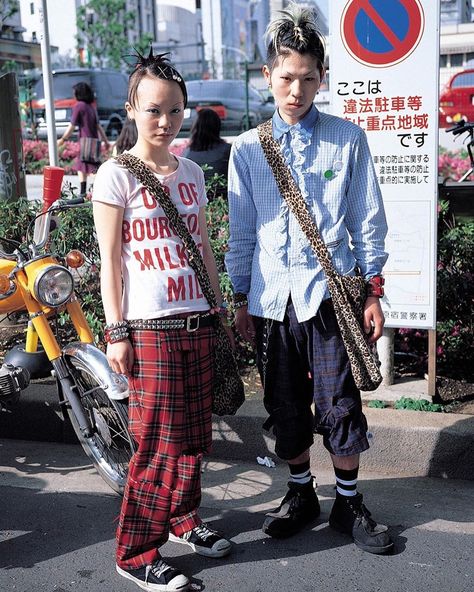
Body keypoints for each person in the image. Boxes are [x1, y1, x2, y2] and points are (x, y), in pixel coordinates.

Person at [225, 3, 393, 555]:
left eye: (307, 78)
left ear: (322, 78)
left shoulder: (347, 140)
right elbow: (242, 231)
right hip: (273, 299)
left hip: (328, 297)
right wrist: (242, 297)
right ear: (268, 75)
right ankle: (301, 493)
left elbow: (368, 216)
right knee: (284, 406)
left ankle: (348, 501)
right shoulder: (247, 150)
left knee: (340, 402)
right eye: (286, 76)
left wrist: (372, 290)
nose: (295, 90)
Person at [92, 50, 231, 592]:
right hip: (150, 328)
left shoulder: (192, 172)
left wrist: (219, 307)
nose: (164, 121)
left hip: (197, 319)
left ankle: (183, 519)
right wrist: (117, 332)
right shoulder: (116, 174)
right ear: (132, 108)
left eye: (174, 110)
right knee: (156, 444)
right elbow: (109, 261)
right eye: (153, 109)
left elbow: (203, 249)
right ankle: (135, 551)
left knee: (194, 437)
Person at [57, 81, 109, 196]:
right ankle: (84, 192)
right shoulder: (91, 107)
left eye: (74, 92)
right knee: (84, 167)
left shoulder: (79, 106)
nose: (73, 95)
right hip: (95, 143)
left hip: (85, 142)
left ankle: (95, 191)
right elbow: (98, 126)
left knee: (88, 169)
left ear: (79, 93)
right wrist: (105, 141)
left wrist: (63, 139)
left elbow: (72, 125)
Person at [182, 108, 231, 193]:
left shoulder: (186, 154)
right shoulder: (228, 151)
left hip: (196, 201)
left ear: (194, 127)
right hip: (222, 201)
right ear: (217, 126)